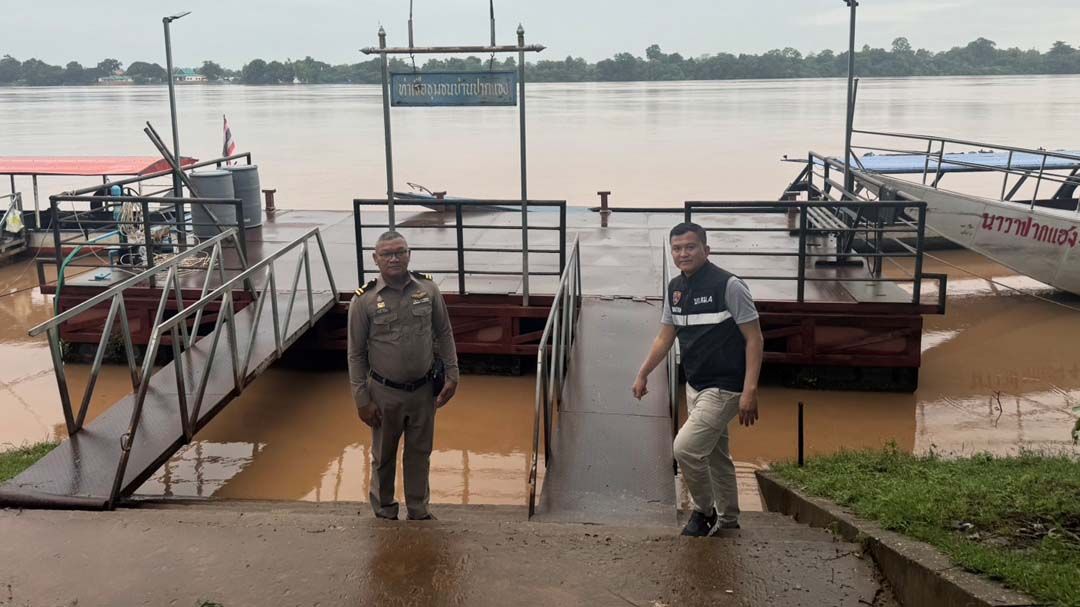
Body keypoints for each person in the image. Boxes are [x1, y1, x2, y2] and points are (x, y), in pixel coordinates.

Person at [632, 222, 764, 537]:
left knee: (686, 449)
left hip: (725, 387)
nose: (683, 253)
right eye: (677, 248)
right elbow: (665, 337)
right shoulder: (676, 288)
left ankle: (704, 512)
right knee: (717, 456)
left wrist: (750, 390)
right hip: (696, 385)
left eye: (690, 247)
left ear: (706, 249)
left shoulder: (729, 286)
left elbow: (754, 338)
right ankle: (730, 519)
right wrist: (643, 372)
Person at [348, 230, 459, 521]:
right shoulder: (364, 300)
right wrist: (362, 400)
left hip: (424, 390)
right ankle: (385, 511)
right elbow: (356, 354)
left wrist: (453, 374)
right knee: (383, 457)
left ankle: (419, 511)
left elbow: (444, 332)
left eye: (400, 251)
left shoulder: (428, 290)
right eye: (387, 254)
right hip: (384, 393)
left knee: (419, 454)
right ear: (376, 259)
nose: (394, 258)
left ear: (409, 254)